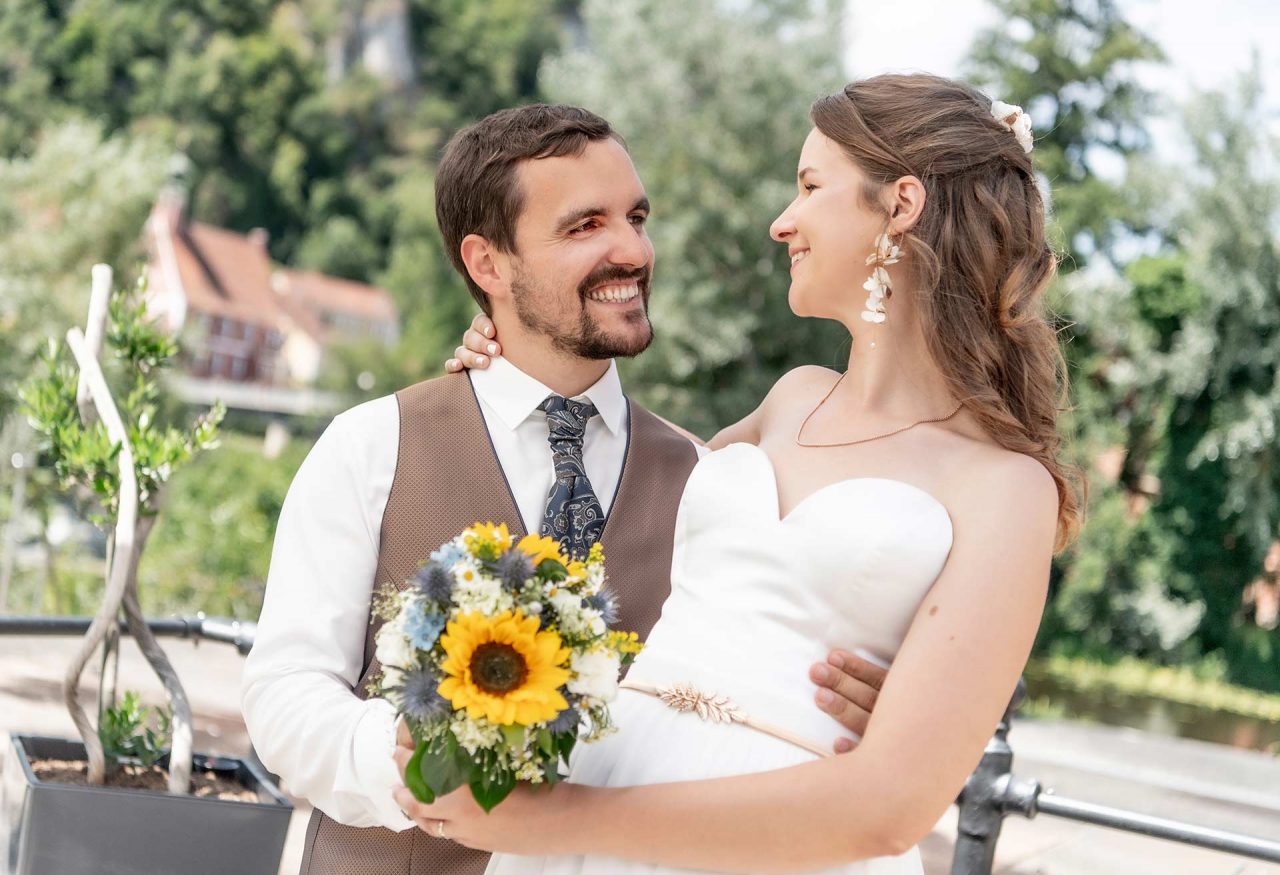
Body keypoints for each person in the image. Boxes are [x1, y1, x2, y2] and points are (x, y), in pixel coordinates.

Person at [397, 73, 1083, 874]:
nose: (782, 222)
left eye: (810, 185)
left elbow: (888, 808)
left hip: (759, 843)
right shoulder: (789, 400)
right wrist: (518, 354)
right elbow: (615, 458)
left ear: (900, 205)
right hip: (603, 785)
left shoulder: (1006, 488)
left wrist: (561, 820)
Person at [241, 103, 889, 875]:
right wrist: (411, 762)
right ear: (487, 264)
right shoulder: (372, 444)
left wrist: (870, 705)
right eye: (585, 226)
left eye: (636, 217)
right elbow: (283, 693)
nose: (632, 249)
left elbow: (760, 682)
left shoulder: (709, 482)